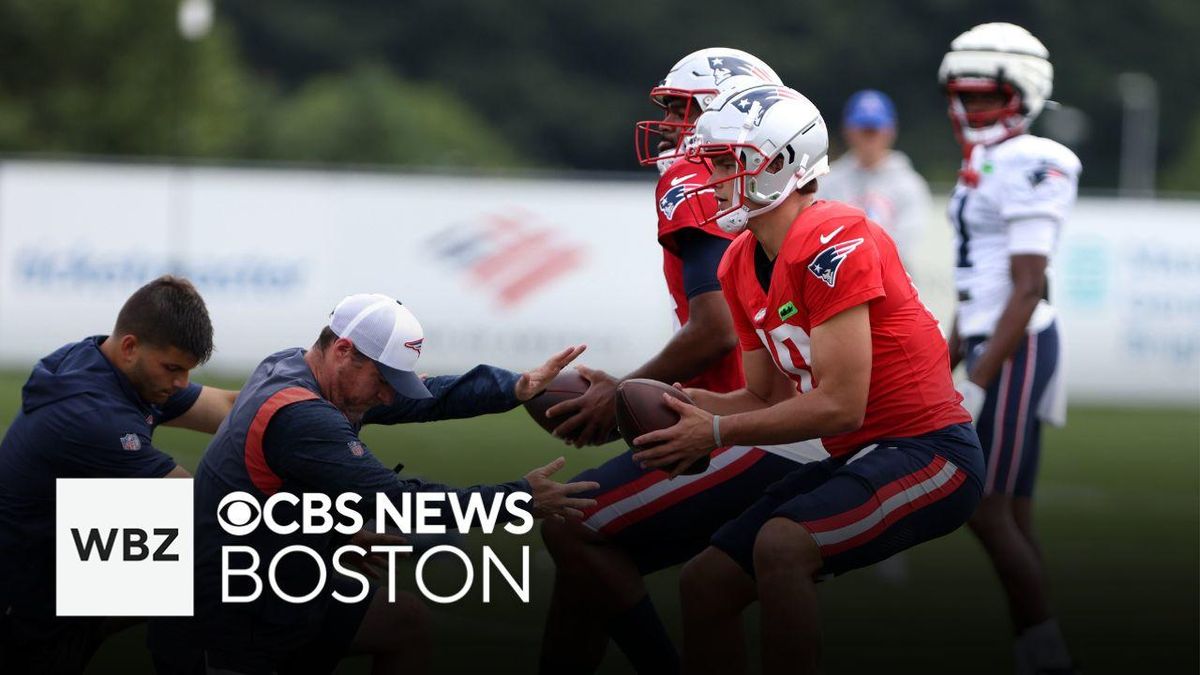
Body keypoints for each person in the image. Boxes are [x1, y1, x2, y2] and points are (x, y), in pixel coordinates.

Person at [631, 81, 985, 674]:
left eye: (727, 163)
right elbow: (764, 395)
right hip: (861, 452)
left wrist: (714, 433)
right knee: (706, 583)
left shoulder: (835, 238)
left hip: (930, 450)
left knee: (782, 545)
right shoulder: (738, 259)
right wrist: (684, 404)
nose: (712, 178)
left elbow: (842, 406)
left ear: (781, 164)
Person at [537, 50, 826, 675]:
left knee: (571, 524)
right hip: (777, 410)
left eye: (683, 109)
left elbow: (716, 328)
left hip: (749, 422)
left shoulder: (699, 182)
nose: (671, 125)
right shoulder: (782, 192)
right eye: (669, 109)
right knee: (591, 570)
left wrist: (627, 387)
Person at [187, 293, 599, 675]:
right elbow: (397, 503)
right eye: (384, 380)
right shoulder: (303, 416)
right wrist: (520, 499)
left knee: (404, 622)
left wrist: (514, 387)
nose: (388, 397)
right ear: (343, 351)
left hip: (265, 573)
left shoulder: (292, 365)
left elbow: (424, 398)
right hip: (241, 607)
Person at [0, 275, 238, 674]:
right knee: (226, 559)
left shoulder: (107, 364)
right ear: (130, 347)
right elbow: (204, 506)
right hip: (26, 603)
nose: (181, 383)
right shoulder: (92, 416)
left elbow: (231, 411)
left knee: (208, 570)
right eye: (173, 368)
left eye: (186, 371)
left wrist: (303, 414)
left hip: (71, 564)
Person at [940, 22, 1081, 675]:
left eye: (985, 96)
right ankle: (1040, 650)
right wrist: (943, 359)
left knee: (987, 507)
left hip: (1015, 345)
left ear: (1023, 94)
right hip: (992, 339)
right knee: (1011, 513)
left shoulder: (1033, 159)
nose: (971, 109)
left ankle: (1045, 652)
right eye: (963, 96)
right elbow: (979, 286)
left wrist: (978, 377)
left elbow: (1027, 288)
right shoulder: (986, 163)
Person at [819, 89, 932, 271]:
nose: (869, 137)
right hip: (839, 277)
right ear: (848, 131)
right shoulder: (830, 181)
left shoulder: (909, 184)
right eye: (863, 130)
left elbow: (907, 240)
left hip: (892, 277)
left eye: (874, 130)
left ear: (890, 131)